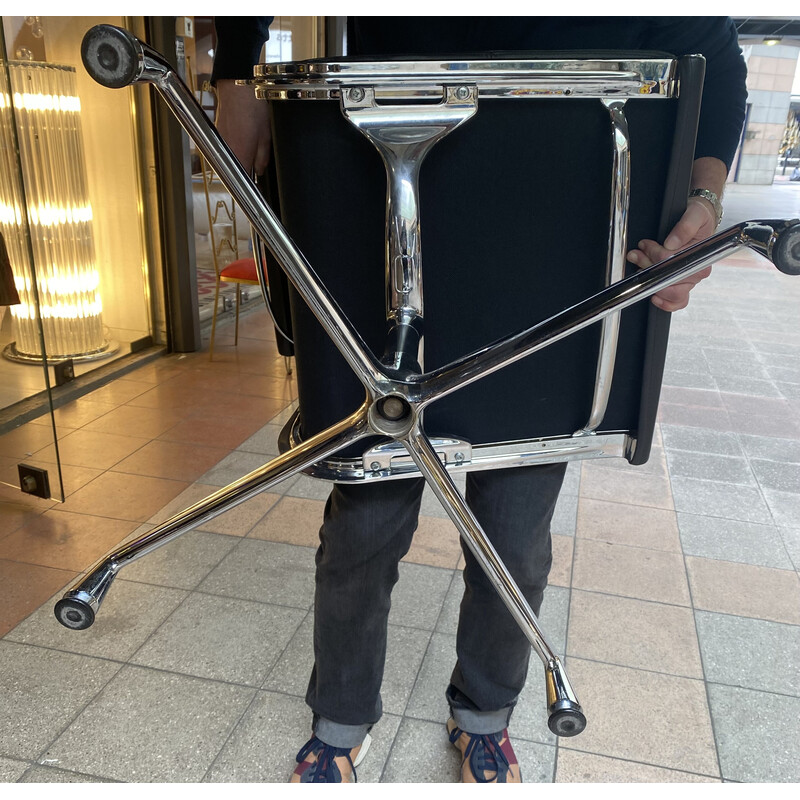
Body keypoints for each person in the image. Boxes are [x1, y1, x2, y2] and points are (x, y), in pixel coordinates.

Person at [211, 17, 747, 783]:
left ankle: (483, 715)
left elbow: (717, 57)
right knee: (364, 520)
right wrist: (237, 72)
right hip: (381, 182)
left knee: (514, 534)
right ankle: (342, 715)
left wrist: (702, 196)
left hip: (562, 215)